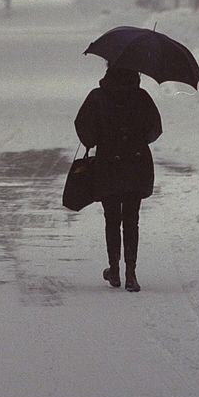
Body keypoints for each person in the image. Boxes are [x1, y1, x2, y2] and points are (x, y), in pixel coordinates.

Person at [74, 62, 162, 292]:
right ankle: (131, 273)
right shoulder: (142, 97)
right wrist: (137, 139)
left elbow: (85, 132)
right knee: (132, 220)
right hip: (136, 163)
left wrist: (101, 137)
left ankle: (114, 270)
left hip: (108, 166)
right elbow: (155, 129)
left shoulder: (97, 97)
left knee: (112, 219)